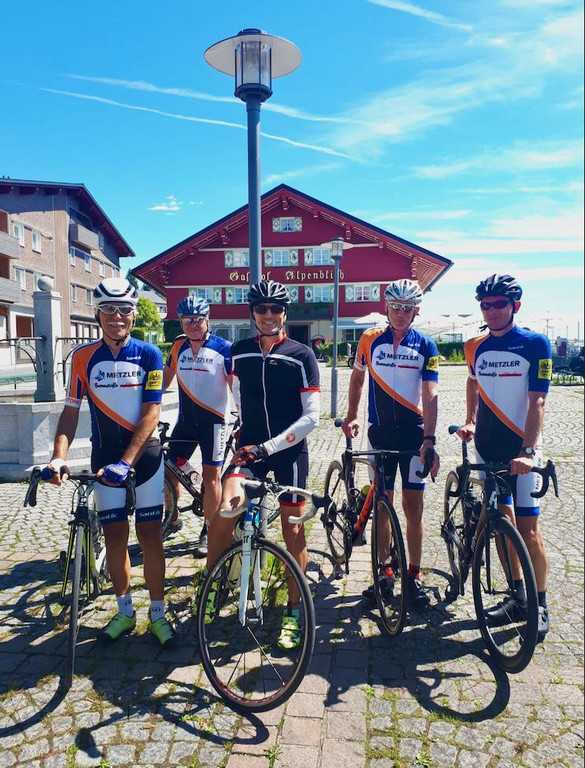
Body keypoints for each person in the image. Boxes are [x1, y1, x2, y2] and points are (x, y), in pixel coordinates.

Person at [42, 277, 175, 646]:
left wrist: (127, 462)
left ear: (133, 315)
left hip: (145, 458)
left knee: (150, 536)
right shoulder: (82, 358)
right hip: (104, 459)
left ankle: (159, 614)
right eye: (108, 309)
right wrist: (58, 457)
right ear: (97, 314)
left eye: (124, 309)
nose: (117, 316)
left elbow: (151, 414)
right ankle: (124, 611)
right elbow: (70, 412)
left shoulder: (150, 354)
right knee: (115, 537)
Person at [206, 279, 320, 649]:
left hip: (287, 451)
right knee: (226, 511)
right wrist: (241, 434)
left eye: (275, 308)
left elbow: (312, 417)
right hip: (250, 448)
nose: (268, 315)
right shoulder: (239, 352)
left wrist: (267, 447)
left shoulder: (302, 354)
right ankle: (212, 585)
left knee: (292, 531)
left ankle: (294, 610)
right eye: (261, 308)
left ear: (284, 313)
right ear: (252, 313)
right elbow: (237, 396)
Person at [458, 273, 552, 640]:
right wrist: (470, 420)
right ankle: (517, 594)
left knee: (528, 530)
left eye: (499, 304)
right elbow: (472, 382)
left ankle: (539, 604)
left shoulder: (535, 343)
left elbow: (537, 401)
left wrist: (527, 451)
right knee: (500, 523)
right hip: (487, 447)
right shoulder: (476, 347)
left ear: (516, 306)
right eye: (486, 305)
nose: (492, 310)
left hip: (521, 451)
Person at [342, 279, 440, 608]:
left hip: (413, 436)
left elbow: (430, 393)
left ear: (416, 311)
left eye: (407, 308)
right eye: (396, 307)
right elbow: (358, 376)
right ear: (386, 307)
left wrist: (429, 438)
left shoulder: (426, 346)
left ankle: (413, 576)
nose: (400, 313)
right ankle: (384, 573)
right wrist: (352, 415)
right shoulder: (370, 340)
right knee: (382, 505)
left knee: (413, 507)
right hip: (380, 434)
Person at [163, 295, 232, 556]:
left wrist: (244, 418)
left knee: (212, 477)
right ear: (180, 322)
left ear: (207, 320)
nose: (193, 324)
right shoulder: (177, 347)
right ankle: (173, 518)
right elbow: (163, 382)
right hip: (185, 422)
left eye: (198, 319)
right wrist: (143, 406)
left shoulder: (223, 348)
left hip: (213, 423)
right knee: (169, 468)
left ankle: (210, 530)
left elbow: (235, 388)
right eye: (187, 320)